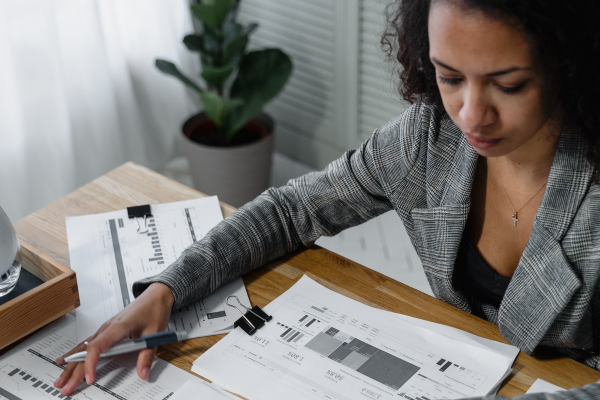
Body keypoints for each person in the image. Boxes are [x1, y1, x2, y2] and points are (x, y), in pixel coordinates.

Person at [55, 0, 600, 397]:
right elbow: (293, 210)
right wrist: (167, 289)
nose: (471, 114)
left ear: (569, 65)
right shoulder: (429, 136)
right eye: (449, 76)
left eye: (508, 85)